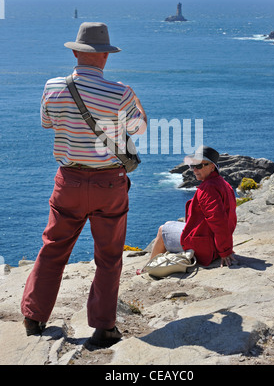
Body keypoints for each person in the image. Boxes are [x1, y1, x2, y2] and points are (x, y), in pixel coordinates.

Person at [21, 22, 147, 347]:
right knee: (109, 256)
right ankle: (104, 327)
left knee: (53, 248)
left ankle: (34, 317)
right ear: (105, 56)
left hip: (70, 182)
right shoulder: (121, 92)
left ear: (76, 52)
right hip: (109, 184)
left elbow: (48, 123)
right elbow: (140, 128)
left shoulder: (52, 86)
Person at [147, 146, 237, 270]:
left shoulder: (208, 189)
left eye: (199, 166)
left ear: (212, 167)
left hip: (206, 247)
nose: (194, 170)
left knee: (162, 230)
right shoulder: (223, 183)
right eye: (192, 165)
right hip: (213, 242)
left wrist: (225, 251)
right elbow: (230, 217)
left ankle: (149, 268)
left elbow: (219, 221)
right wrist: (226, 247)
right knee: (169, 224)